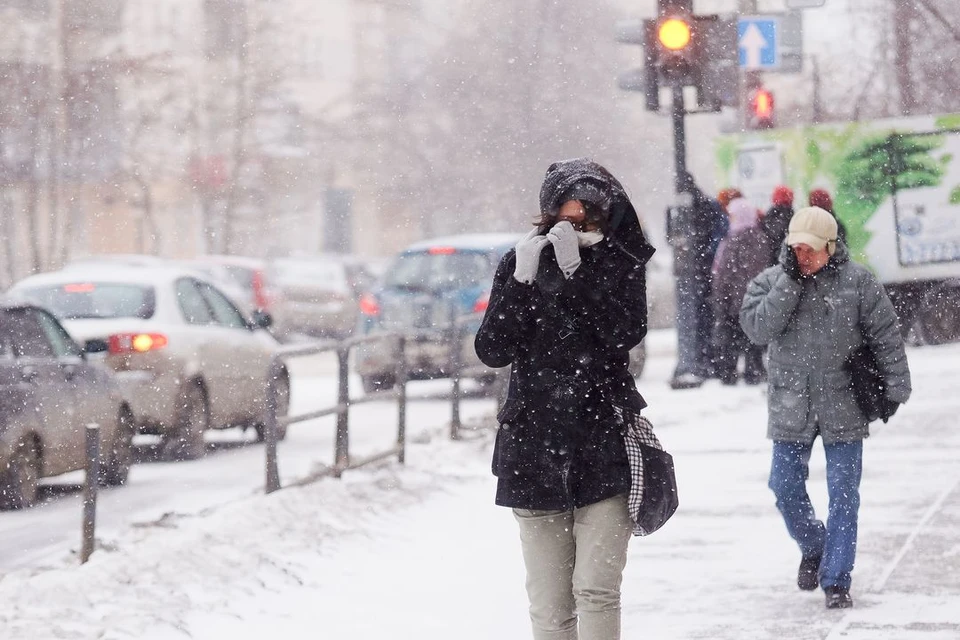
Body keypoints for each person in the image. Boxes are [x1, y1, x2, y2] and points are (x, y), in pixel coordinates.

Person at [475, 157, 655, 640]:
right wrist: (520, 283)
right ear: (547, 214)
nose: (573, 229)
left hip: (604, 446)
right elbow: (492, 349)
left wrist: (578, 276)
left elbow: (622, 334)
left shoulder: (620, 264)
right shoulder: (521, 262)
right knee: (550, 604)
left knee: (596, 590)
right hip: (534, 449)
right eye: (564, 219)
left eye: (585, 220)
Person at [740, 206, 912, 610]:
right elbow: (757, 328)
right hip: (790, 402)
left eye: (811, 250)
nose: (803, 256)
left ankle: (836, 579)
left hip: (844, 402)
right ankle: (815, 547)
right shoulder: (771, 282)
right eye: (796, 249)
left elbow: (886, 334)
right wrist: (789, 282)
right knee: (783, 487)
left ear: (831, 248)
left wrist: (895, 389)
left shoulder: (858, 283)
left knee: (844, 494)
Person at [666, 172, 727, 389]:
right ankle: (703, 360)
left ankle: (696, 361)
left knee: (694, 317)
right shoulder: (706, 205)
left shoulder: (693, 207)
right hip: (701, 272)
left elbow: (672, 239)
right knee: (702, 317)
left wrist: (697, 253)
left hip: (694, 272)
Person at [709, 197, 769, 385]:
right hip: (755, 300)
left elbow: (723, 272)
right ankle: (753, 371)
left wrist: (720, 296)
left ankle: (729, 373)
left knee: (731, 339)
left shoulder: (732, 240)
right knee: (752, 340)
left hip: (733, 300)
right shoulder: (760, 238)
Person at [760, 185, 795, 266]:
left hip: (774, 256)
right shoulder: (791, 214)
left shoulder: (776, 213)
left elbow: (774, 232)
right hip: (785, 256)